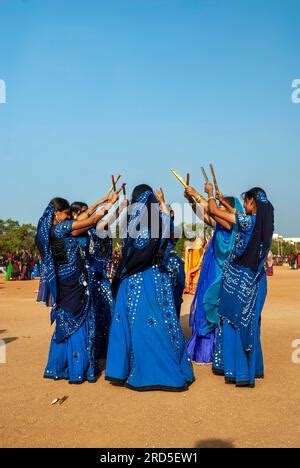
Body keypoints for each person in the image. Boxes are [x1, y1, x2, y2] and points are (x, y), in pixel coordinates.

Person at [105, 184, 194, 391]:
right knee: (160, 323)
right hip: (156, 277)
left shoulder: (130, 220)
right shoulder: (161, 219)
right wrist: (163, 205)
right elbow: (173, 232)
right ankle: (167, 371)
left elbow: (129, 250)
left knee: (132, 325)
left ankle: (124, 371)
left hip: (131, 279)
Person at [35, 193, 119, 384]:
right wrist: (109, 205)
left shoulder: (50, 230)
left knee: (65, 321)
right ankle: (79, 369)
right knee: (81, 322)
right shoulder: (62, 229)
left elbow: (82, 218)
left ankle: (58, 366)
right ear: (57, 213)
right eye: (65, 213)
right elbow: (92, 220)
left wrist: (102, 200)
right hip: (74, 282)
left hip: (63, 282)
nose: (68, 217)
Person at [205, 185, 274, 387]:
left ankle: (239, 371)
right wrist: (224, 200)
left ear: (252, 202)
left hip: (240, 281)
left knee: (234, 320)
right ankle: (254, 368)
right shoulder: (262, 223)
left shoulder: (247, 221)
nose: (243, 205)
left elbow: (214, 212)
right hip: (257, 279)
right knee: (250, 323)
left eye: (246, 201)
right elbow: (236, 214)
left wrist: (209, 194)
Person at [184, 186, 243, 364]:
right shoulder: (219, 223)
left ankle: (219, 351)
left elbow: (212, 210)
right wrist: (190, 200)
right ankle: (204, 351)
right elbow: (204, 213)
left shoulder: (234, 225)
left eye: (223, 207)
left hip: (223, 274)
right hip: (211, 271)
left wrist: (202, 194)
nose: (219, 209)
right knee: (205, 304)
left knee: (216, 307)